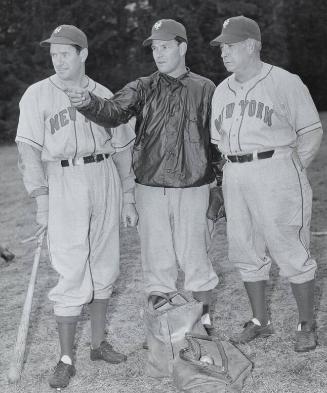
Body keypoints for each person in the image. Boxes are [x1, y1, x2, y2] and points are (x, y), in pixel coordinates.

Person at [66, 19, 222, 332]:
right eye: (154, 48)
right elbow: (113, 112)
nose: (158, 54)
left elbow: (216, 139)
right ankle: (162, 329)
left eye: (165, 47)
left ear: (182, 47)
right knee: (157, 263)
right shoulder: (143, 86)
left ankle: (202, 325)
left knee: (197, 261)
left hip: (195, 186)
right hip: (150, 189)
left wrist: (219, 185)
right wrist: (88, 103)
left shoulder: (205, 88)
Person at [15, 25, 138, 389]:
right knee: (71, 265)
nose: (58, 59)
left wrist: (128, 194)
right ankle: (66, 358)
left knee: (105, 261)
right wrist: (41, 199)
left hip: (103, 176)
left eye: (65, 53)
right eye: (53, 54)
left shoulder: (103, 94)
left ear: (83, 54)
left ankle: (98, 344)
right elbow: (27, 151)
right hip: (63, 178)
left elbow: (122, 148)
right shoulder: (38, 94)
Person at [209, 16, 323, 352]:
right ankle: (260, 321)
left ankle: (306, 324)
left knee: (289, 246)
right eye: (222, 46)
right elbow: (219, 138)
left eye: (230, 45)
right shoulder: (221, 90)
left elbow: (311, 131)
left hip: (276, 167)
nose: (224, 52)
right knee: (244, 247)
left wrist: (292, 168)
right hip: (236, 170)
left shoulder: (285, 82)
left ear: (251, 45)